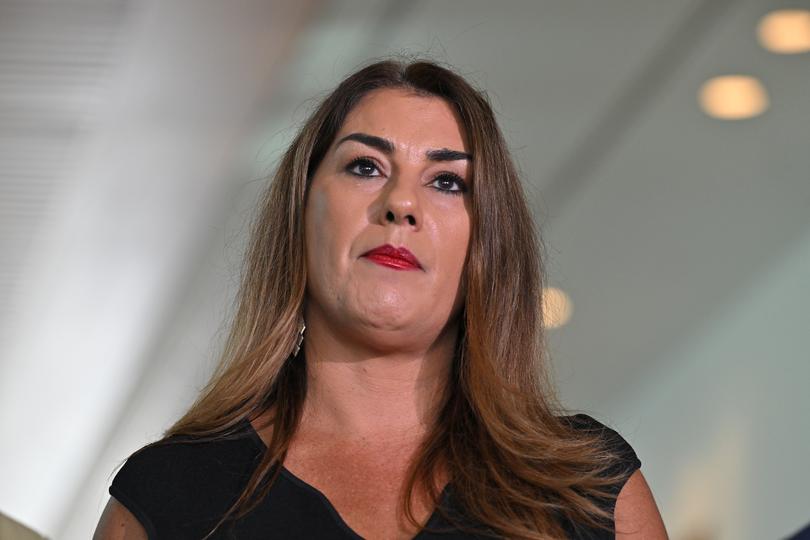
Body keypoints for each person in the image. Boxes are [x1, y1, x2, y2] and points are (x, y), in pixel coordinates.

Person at [93, 58, 668, 539]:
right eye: (366, 167)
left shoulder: (588, 489)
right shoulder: (166, 496)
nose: (401, 203)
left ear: (486, 245)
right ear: (302, 215)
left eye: (447, 181)